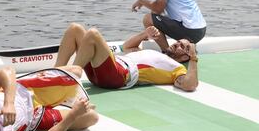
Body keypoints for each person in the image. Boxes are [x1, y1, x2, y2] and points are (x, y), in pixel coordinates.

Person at [55, 23, 198, 91]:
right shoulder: (155, 53)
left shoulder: (177, 68)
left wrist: (193, 58)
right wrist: (144, 35)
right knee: (75, 29)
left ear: (186, 57)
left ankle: (73, 75)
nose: (177, 45)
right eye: (178, 42)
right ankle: (55, 74)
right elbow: (126, 47)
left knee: (93, 34)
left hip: (119, 76)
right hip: (110, 68)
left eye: (183, 47)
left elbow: (190, 85)